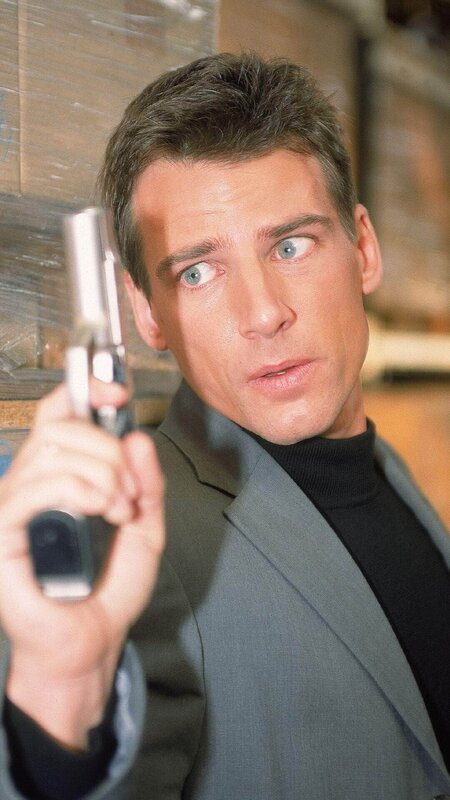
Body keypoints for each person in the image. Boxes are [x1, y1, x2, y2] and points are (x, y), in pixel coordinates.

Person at [0, 53, 449, 800]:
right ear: (146, 313)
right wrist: (61, 686)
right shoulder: (137, 546)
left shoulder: (385, 471)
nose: (264, 313)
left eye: (291, 246)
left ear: (364, 249)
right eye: (197, 272)